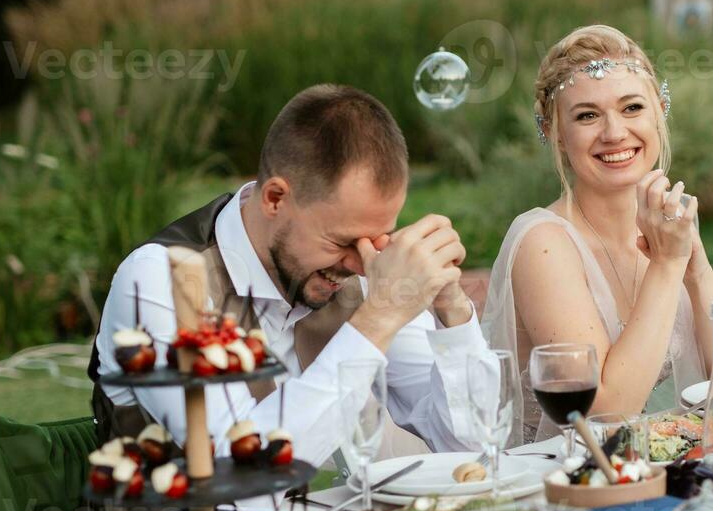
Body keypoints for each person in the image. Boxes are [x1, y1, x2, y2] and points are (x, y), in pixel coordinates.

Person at [91, 84, 491, 465]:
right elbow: (243, 470)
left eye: (378, 238)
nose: (360, 264)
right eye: (342, 242)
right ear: (275, 199)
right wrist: (379, 317)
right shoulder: (162, 280)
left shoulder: (362, 266)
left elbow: (469, 443)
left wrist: (452, 310)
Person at [482, 24, 713, 439]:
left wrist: (695, 270)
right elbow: (603, 413)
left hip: (656, 472)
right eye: (587, 115)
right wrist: (666, 265)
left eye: (631, 108)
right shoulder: (543, 243)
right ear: (556, 134)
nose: (614, 133)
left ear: (659, 111)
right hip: (564, 485)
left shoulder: (665, 227)